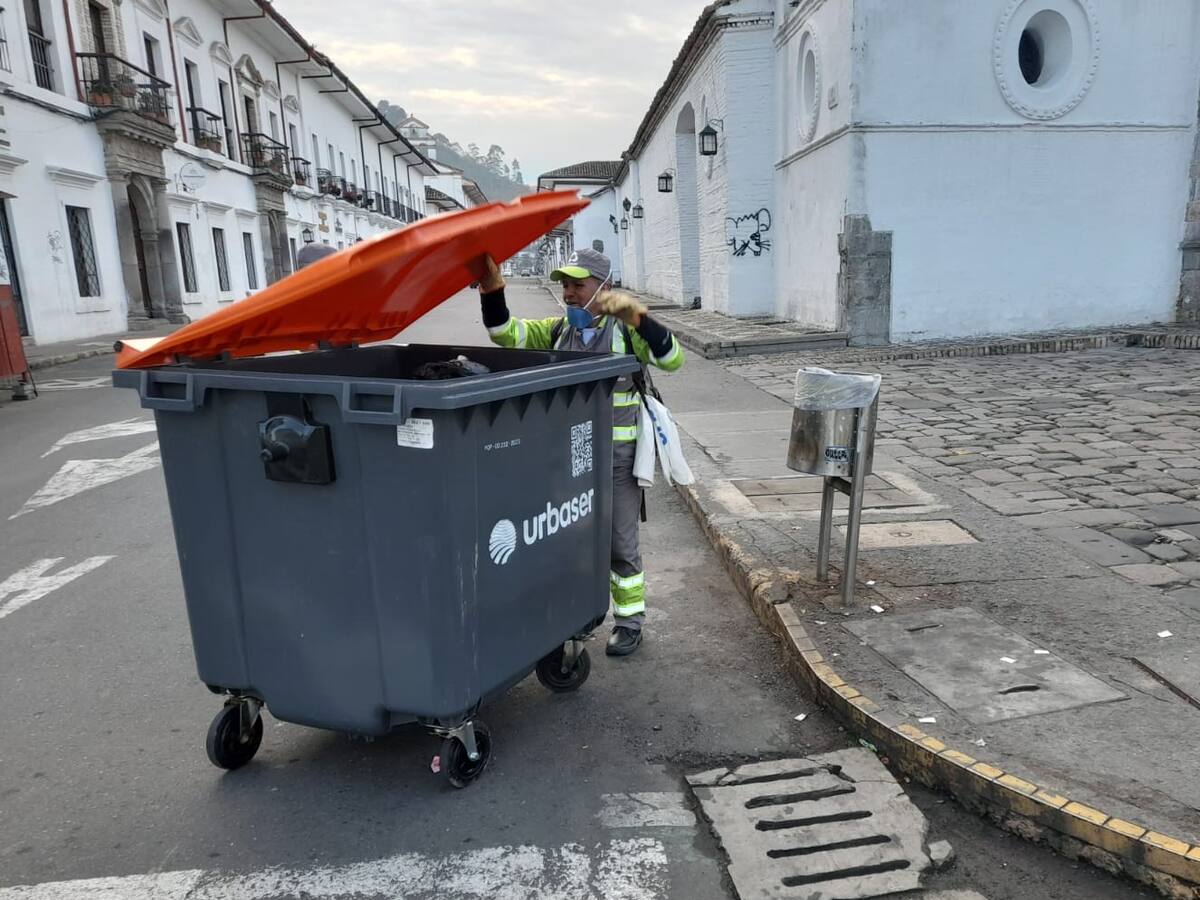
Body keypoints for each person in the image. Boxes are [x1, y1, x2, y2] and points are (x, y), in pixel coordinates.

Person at [470, 248, 684, 657]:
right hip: (568, 460)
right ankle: (575, 613)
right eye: (565, 285)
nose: (568, 293)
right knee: (566, 541)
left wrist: (636, 314)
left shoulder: (626, 332)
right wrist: (492, 290)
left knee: (620, 542)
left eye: (577, 285)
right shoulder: (557, 331)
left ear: (604, 289)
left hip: (617, 458)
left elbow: (672, 358)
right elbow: (506, 334)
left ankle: (629, 620)